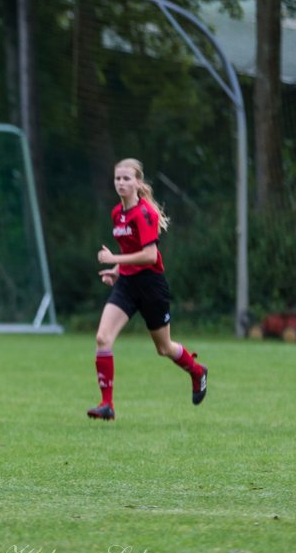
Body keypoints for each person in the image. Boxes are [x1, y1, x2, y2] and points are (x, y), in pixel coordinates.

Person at [87, 158, 207, 420]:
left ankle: (197, 371)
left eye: (127, 178)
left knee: (164, 348)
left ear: (138, 183)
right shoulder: (116, 213)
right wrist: (116, 272)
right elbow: (129, 250)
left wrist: (114, 260)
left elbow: (150, 256)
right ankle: (107, 404)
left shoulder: (144, 214)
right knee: (102, 338)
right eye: (118, 178)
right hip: (128, 285)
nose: (121, 182)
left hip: (152, 287)